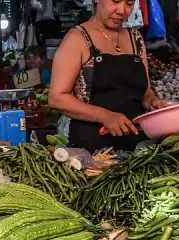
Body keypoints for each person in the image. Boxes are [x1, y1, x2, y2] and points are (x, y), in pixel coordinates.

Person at [48, 0, 167, 152]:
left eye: (129, 4)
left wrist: (152, 101)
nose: (122, 10)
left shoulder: (135, 39)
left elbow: (145, 90)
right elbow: (57, 98)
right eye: (116, 1)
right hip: (91, 148)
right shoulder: (77, 39)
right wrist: (104, 116)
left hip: (135, 146)